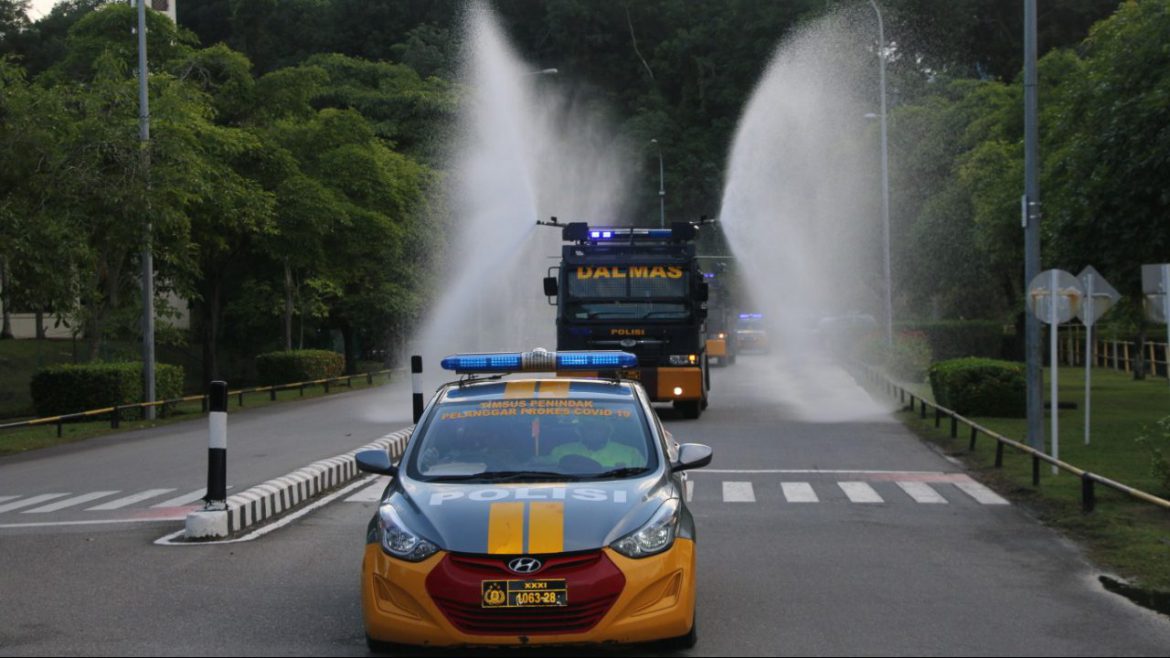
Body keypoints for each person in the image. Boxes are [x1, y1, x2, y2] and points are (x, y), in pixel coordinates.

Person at [548, 417, 645, 469]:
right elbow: (545, 468)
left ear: (608, 431)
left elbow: (645, 480)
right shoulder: (561, 451)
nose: (594, 432)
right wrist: (534, 461)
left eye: (599, 428)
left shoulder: (631, 453)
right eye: (589, 427)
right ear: (581, 430)